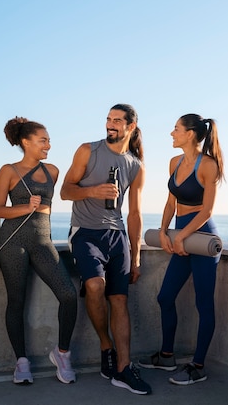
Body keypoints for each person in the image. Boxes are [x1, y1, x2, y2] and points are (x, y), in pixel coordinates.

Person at [60, 103, 151, 395]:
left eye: (117, 121)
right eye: (108, 119)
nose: (110, 124)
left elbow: (135, 214)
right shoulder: (88, 150)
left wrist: (135, 257)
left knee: (120, 300)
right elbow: (65, 190)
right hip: (85, 233)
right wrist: (92, 191)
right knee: (95, 286)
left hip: (117, 237)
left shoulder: (136, 166)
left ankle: (123, 368)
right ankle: (105, 345)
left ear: (130, 127)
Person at [138, 114, 225, 385]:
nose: (171, 133)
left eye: (176, 129)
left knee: (203, 304)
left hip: (202, 240)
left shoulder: (208, 165)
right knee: (165, 297)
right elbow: (170, 204)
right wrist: (164, 232)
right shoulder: (174, 163)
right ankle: (166, 356)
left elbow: (207, 210)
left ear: (189, 134)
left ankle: (198, 365)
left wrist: (182, 237)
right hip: (180, 236)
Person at [0, 117, 78, 385]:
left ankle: (62, 354)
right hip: (12, 241)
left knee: (68, 294)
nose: (48, 145)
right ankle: (21, 363)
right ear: (26, 142)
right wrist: (24, 207)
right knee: (16, 302)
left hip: (43, 242)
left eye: (48, 140)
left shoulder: (52, 170)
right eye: (43, 140)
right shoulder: (8, 170)